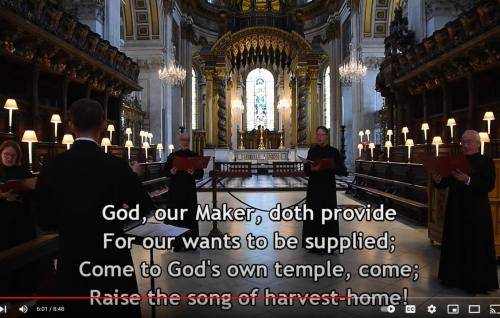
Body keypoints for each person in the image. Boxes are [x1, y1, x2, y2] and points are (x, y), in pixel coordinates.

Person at [35, 98, 155, 316]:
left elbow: (43, 219)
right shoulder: (116, 166)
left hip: (72, 256)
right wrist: (132, 181)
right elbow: (144, 206)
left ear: (71, 124)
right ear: (102, 124)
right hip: (112, 256)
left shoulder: (52, 167)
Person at [432, 130, 498, 294]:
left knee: (475, 244)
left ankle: (475, 282)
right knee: (455, 241)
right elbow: (444, 183)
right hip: (456, 209)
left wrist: (468, 180)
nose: (466, 145)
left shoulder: (485, 162)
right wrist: (438, 179)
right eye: (463, 142)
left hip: (477, 211)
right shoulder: (455, 160)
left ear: (477, 143)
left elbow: (489, 185)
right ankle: (452, 278)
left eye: (469, 142)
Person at [303, 126, 348, 254]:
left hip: (328, 188)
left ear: (327, 136)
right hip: (314, 188)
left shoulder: (333, 152)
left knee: (328, 215)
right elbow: (306, 170)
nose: (319, 137)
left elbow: (342, 170)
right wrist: (311, 168)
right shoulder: (312, 151)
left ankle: (329, 245)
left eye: (322, 135)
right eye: (317, 135)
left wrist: (331, 167)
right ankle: (314, 245)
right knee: (314, 215)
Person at [0, 140, 37, 295]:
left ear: (17, 157)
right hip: (1, 221)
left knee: (21, 256)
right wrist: (2, 196)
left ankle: (21, 292)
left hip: (20, 220)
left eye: (12, 155)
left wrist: (20, 196)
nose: (9, 158)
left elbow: (33, 194)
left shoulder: (23, 173)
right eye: (6, 154)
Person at [164, 132, 204, 252]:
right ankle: (177, 243)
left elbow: (200, 174)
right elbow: (165, 172)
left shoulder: (194, 155)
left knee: (189, 217)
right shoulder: (172, 156)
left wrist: (194, 173)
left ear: (189, 141)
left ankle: (190, 243)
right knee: (176, 217)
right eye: (183, 140)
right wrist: (171, 171)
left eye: (187, 139)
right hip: (175, 192)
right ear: (179, 141)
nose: (185, 142)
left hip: (189, 192)